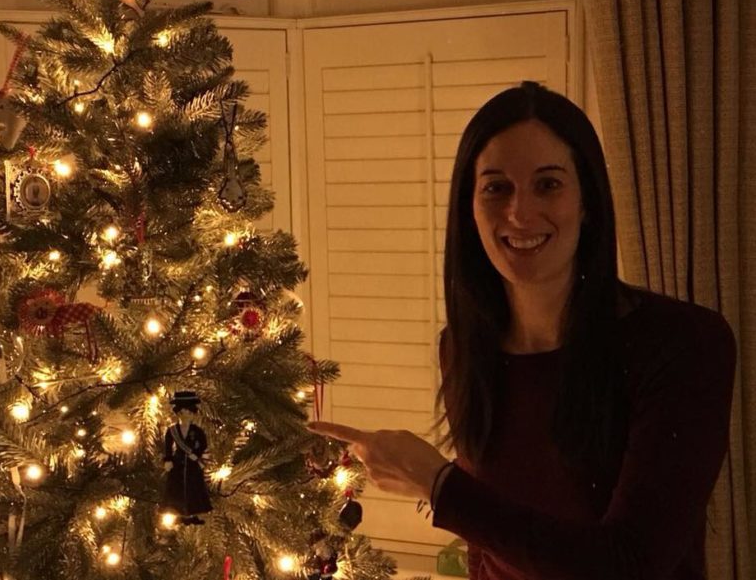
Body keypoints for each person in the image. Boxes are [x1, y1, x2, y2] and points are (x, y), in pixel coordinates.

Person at [308, 81, 736, 580]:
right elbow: (485, 547)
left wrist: (439, 485)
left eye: (548, 184)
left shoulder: (684, 344)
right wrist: (449, 493)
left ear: (588, 202)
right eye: (497, 187)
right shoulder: (463, 348)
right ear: (469, 209)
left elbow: (630, 564)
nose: (520, 213)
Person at [162, 390, 213, 525]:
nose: (186, 415)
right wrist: (168, 460)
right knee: (176, 488)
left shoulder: (197, 431)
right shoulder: (172, 430)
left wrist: (195, 454)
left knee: (194, 488)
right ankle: (178, 512)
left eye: (189, 412)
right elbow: (168, 446)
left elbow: (203, 444)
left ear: (193, 413)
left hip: (192, 465)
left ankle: (194, 513)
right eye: (183, 412)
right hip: (178, 463)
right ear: (178, 413)